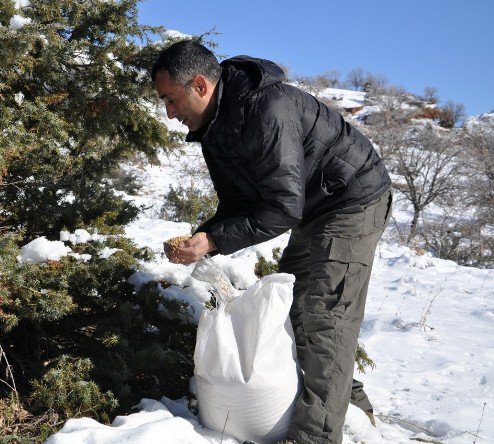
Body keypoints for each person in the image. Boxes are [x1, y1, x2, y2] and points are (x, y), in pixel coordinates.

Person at [152, 40, 392, 444]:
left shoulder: (267, 108)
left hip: (353, 198)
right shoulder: (213, 127)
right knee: (294, 308)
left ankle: (316, 437)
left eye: (170, 100)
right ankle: (353, 412)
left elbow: (280, 208)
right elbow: (239, 203)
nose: (168, 112)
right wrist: (201, 236)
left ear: (199, 85)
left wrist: (212, 240)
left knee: (323, 315)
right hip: (314, 207)